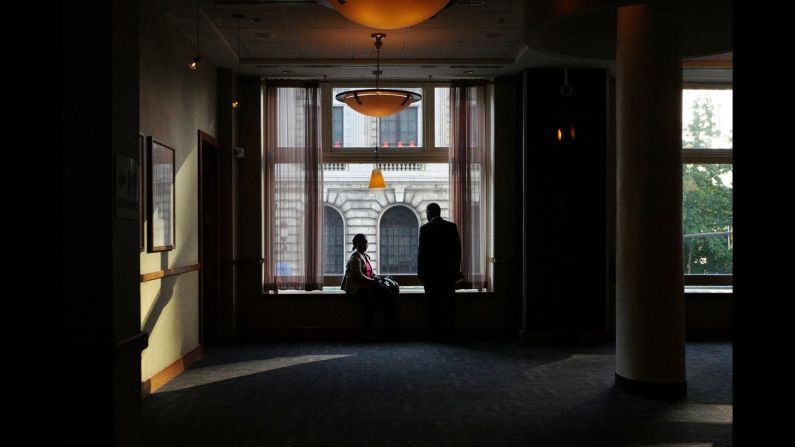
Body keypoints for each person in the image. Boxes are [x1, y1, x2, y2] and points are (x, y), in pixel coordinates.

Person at [417, 203, 462, 341]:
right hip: (448, 274)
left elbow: (422, 253)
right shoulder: (451, 227)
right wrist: (455, 271)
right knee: (449, 305)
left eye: (426, 212)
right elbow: (457, 251)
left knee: (433, 305)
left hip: (431, 275)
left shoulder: (425, 229)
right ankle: (448, 333)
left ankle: (435, 333)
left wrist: (420, 272)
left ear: (430, 212)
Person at [341, 233, 395, 341]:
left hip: (366, 285)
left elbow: (371, 273)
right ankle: (367, 332)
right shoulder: (355, 256)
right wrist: (372, 280)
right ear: (356, 244)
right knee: (371, 304)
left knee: (386, 293)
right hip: (357, 288)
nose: (366, 245)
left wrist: (376, 277)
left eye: (366, 243)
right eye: (363, 243)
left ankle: (390, 326)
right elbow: (358, 276)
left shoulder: (365, 255)